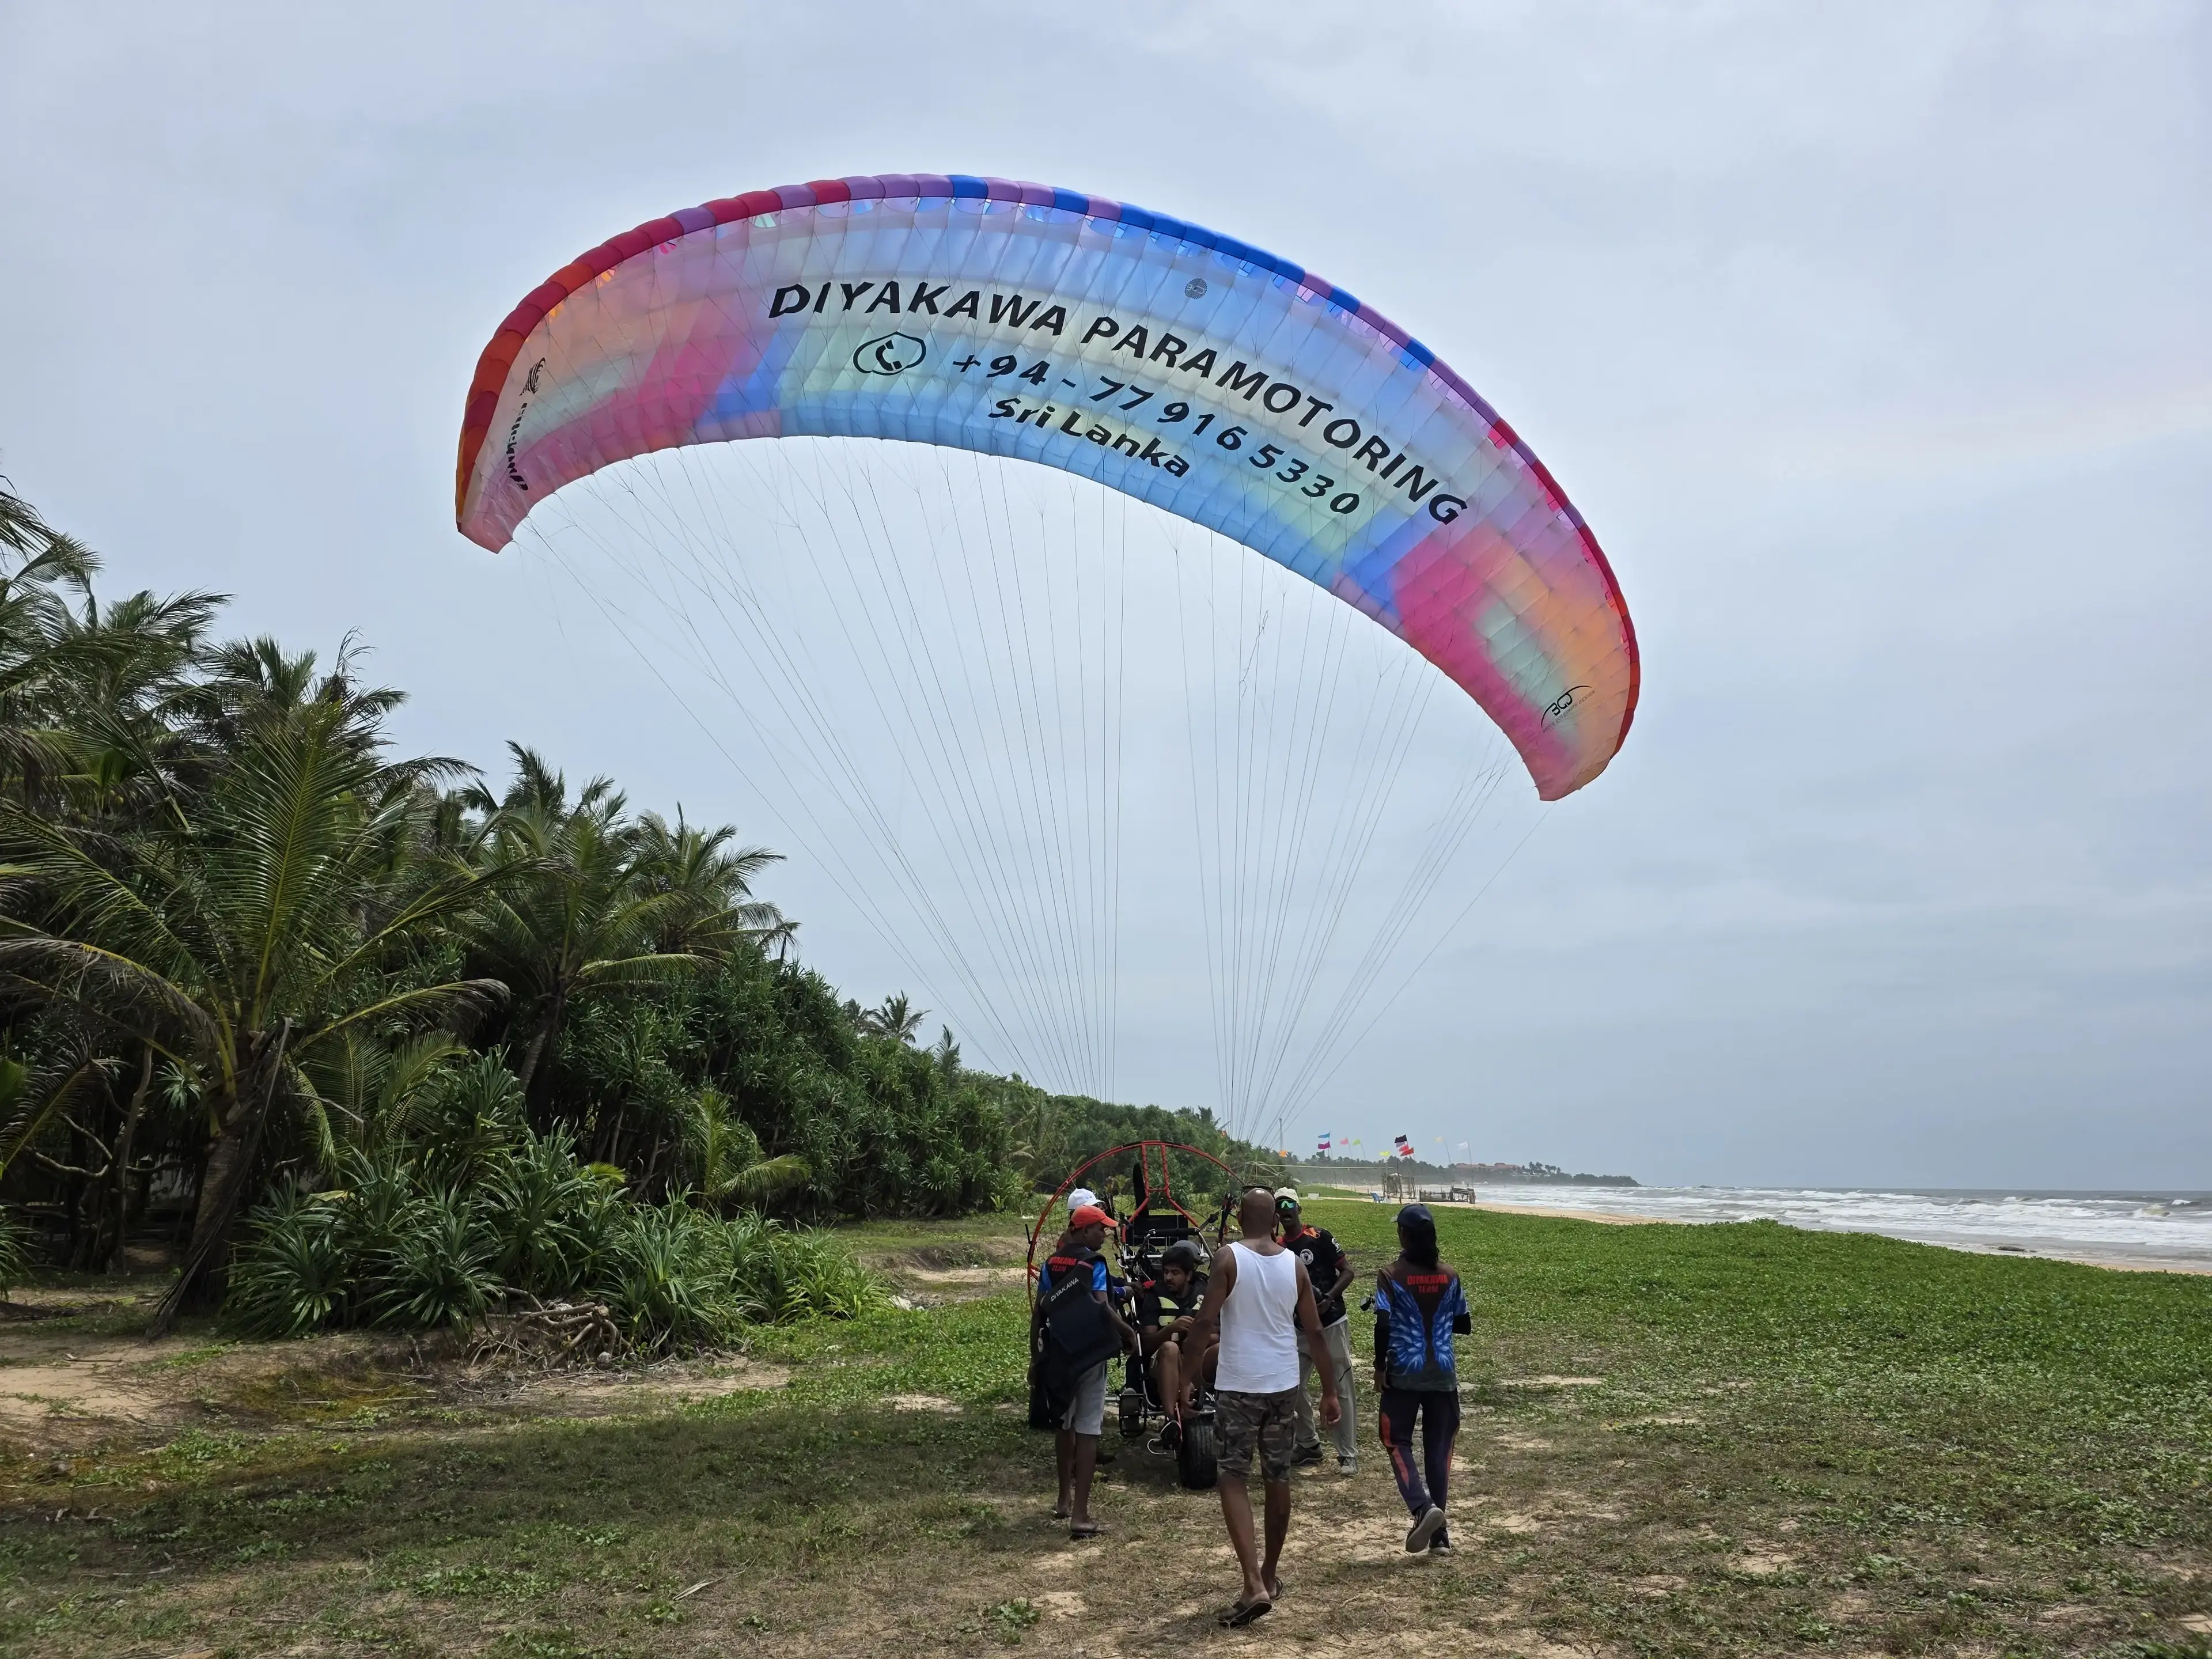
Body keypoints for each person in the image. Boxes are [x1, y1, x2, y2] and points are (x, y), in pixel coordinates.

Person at [1185, 1187, 1340, 1627]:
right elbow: (1315, 1331)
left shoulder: (1228, 1258)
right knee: (1278, 1476)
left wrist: (1186, 1380)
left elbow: (1203, 1323)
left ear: (1237, 1217)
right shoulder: (1293, 1265)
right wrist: (1329, 1392)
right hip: (1283, 1384)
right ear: (1275, 1219)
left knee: (1233, 1476)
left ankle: (1252, 1582)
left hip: (1239, 1385)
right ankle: (1270, 1576)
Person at [1033, 1205, 1140, 1539]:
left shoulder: (1052, 1263)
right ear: (1082, 1230)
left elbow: (1040, 1312)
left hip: (1058, 1354)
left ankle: (1064, 1498)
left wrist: (1035, 1360)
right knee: (1089, 1430)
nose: (1105, 1234)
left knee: (1064, 1424)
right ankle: (1081, 1516)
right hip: (1090, 1354)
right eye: (1099, 1229)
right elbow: (1101, 1306)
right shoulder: (1094, 1263)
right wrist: (1127, 1332)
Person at [1373, 1203, 1469, 1555]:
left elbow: (1382, 1323)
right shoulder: (1450, 1275)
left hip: (1403, 1374)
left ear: (1403, 1235)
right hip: (1443, 1375)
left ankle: (1422, 1507)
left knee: (1395, 1438)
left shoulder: (1390, 1275)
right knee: (1439, 1449)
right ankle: (1440, 1538)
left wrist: (1379, 1366)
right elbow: (1464, 1323)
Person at [1274, 1187, 1358, 1472]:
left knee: (1339, 1386)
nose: (1284, 1209)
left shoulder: (1319, 1237)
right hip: (1298, 1329)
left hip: (1331, 1323)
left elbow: (1347, 1271)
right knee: (1292, 1387)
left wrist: (1329, 1298)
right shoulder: (1277, 1246)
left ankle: (1348, 1454)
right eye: (1278, 1205)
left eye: (1289, 1204)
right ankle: (1309, 1445)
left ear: (1299, 1209)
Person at [1133, 1239, 1211, 1423]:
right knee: (1170, 1348)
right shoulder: (1154, 1297)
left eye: (1175, 1273)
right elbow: (1148, 1342)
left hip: (1196, 1356)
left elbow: (1219, 1332)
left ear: (1189, 1275)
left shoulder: (1204, 1293)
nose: (1168, 1278)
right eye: (1166, 1272)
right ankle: (1171, 1419)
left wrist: (1196, 1337)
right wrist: (1171, 1329)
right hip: (1162, 1360)